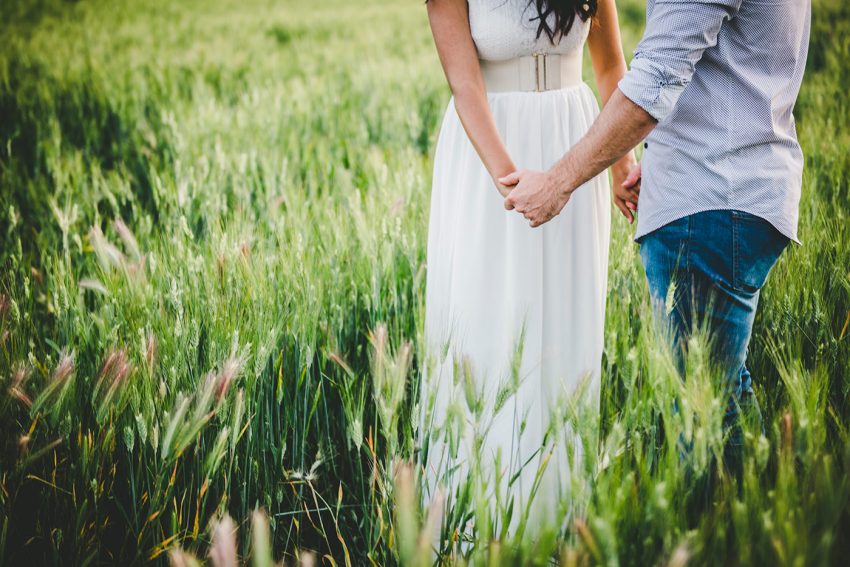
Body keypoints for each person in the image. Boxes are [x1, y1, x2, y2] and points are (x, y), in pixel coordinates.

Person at [500, 0, 812, 471]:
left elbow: (654, 82)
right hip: (742, 187)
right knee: (723, 397)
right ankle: (764, 528)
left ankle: (721, 539)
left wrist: (557, 182)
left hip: (708, 196)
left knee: (700, 418)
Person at [421, 0, 635, 532]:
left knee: (565, 329)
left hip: (573, 143)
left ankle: (562, 524)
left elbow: (608, 65)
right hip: (490, 153)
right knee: (486, 332)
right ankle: (479, 526)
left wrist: (621, 165)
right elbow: (465, 85)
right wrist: (514, 185)